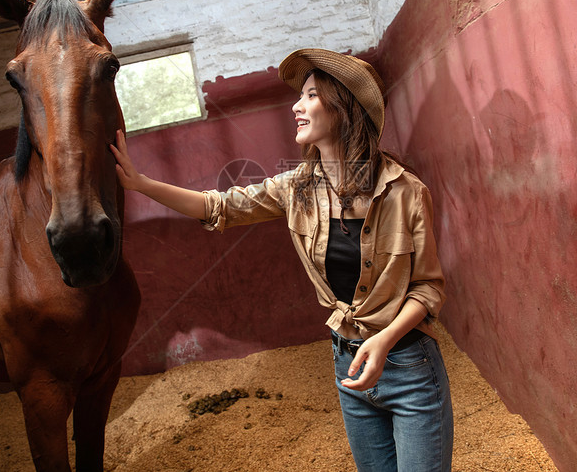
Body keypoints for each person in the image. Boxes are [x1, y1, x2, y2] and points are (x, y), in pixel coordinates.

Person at [110, 48, 453, 472]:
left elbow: (428, 287)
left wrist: (383, 340)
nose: (296, 105)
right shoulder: (297, 188)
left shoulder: (406, 193)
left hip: (409, 366)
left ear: (343, 107)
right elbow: (219, 206)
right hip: (348, 368)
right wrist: (140, 184)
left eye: (310, 95)